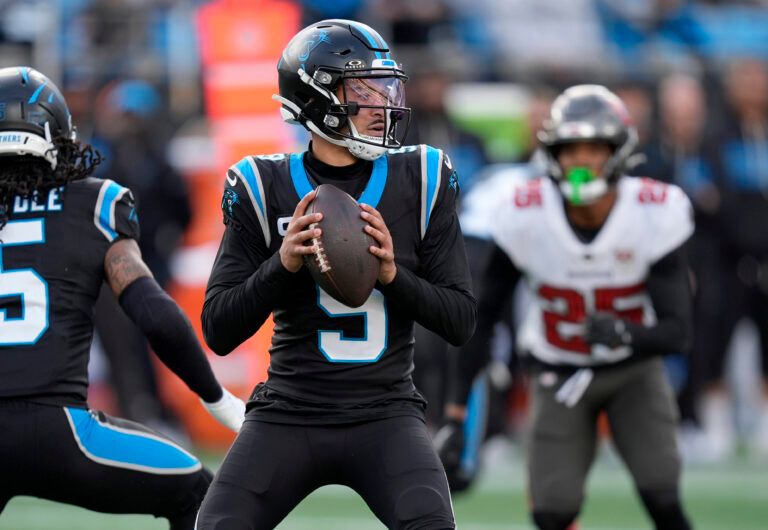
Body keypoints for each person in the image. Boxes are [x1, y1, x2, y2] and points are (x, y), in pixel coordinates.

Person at [196, 19, 476, 530]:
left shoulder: (423, 177)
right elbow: (218, 329)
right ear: (317, 99)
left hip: (386, 413)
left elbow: (460, 320)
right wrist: (282, 265)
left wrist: (392, 276)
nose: (382, 104)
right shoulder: (264, 184)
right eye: (364, 90)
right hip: (288, 411)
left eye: (387, 87)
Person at [437, 85, 694, 530]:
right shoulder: (525, 213)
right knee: (552, 511)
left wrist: (626, 334)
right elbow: (481, 319)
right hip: (558, 372)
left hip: (634, 370)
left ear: (619, 153)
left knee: (662, 493)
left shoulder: (653, 211)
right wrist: (456, 415)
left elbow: (678, 331)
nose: (581, 162)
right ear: (551, 153)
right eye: (570, 149)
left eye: (595, 149)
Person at [0, 67, 245, 529]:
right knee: (198, 492)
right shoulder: (91, 201)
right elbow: (153, 313)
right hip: (61, 432)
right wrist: (216, 399)